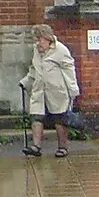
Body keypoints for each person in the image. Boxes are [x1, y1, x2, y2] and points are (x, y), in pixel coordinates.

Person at [23, 23, 81, 158]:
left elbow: (69, 70)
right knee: (36, 116)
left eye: (39, 39)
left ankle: (63, 147)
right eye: (35, 40)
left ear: (47, 38)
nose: (37, 43)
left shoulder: (60, 50)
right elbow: (33, 68)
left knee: (59, 119)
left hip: (58, 91)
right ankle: (36, 146)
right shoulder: (36, 51)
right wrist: (26, 82)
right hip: (39, 90)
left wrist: (73, 90)